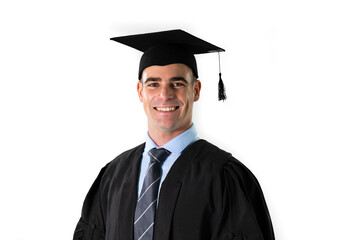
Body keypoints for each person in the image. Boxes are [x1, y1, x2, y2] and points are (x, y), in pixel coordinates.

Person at [73, 29, 275, 240]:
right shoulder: (113, 176)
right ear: (140, 92)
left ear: (196, 90)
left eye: (177, 84)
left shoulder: (224, 177)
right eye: (153, 84)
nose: (164, 95)